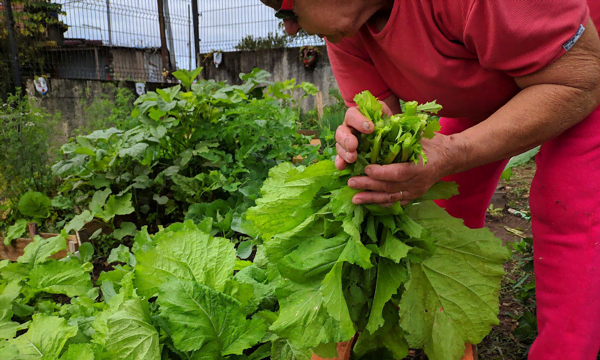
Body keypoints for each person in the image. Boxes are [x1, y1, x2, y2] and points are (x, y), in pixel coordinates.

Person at [260, 1, 600, 359]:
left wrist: (456, 151)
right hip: (483, 87)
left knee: (569, 209)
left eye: (287, 11)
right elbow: (382, 118)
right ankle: (454, 336)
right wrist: (366, 145)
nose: (291, 29)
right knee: (443, 219)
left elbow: (579, 79)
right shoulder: (348, 30)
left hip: (573, 77)